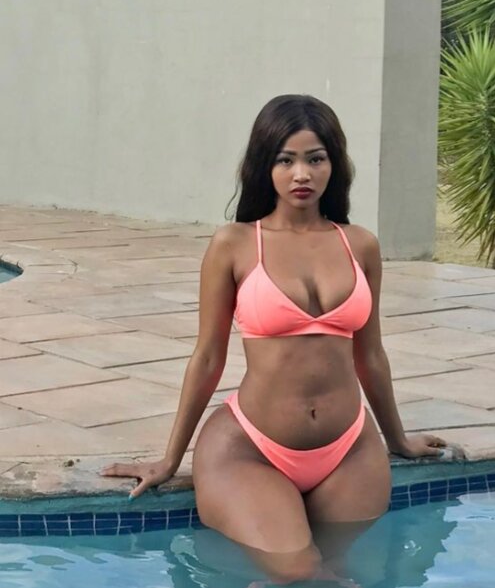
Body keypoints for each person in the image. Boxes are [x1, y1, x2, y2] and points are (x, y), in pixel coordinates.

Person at [101, 94, 446, 585]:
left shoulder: (360, 245)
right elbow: (207, 358)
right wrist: (170, 459)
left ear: (334, 164)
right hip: (252, 449)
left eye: (315, 158)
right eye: (286, 160)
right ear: (265, 165)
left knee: (348, 572)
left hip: (349, 448)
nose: (301, 174)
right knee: (302, 571)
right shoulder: (235, 244)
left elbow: (370, 356)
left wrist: (399, 441)